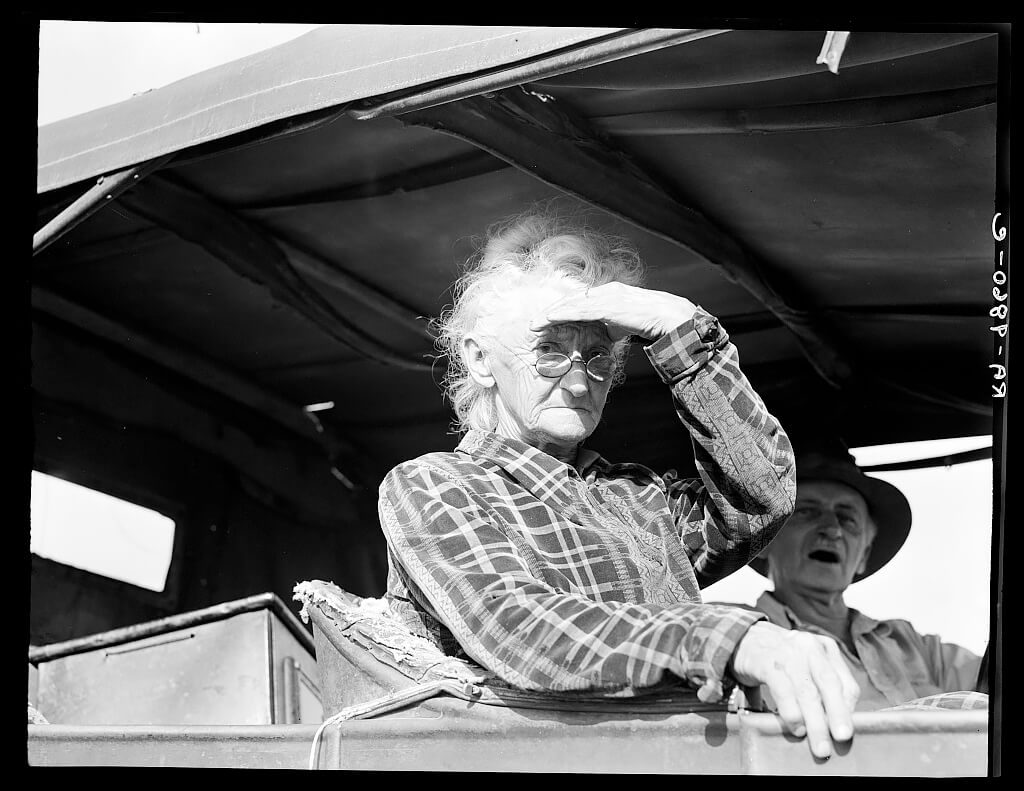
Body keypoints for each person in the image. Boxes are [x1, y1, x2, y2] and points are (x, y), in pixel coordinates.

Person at [377, 210, 859, 759]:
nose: (580, 381)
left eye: (599, 355)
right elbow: (523, 628)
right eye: (550, 350)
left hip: (676, 756)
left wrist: (682, 333)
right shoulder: (433, 483)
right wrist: (732, 639)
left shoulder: (636, 493)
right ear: (480, 359)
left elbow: (758, 503)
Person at [741, 438, 986, 711]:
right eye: (808, 512)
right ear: (765, 541)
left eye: (848, 519)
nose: (832, 530)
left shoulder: (913, 645)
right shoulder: (748, 638)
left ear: (864, 554)